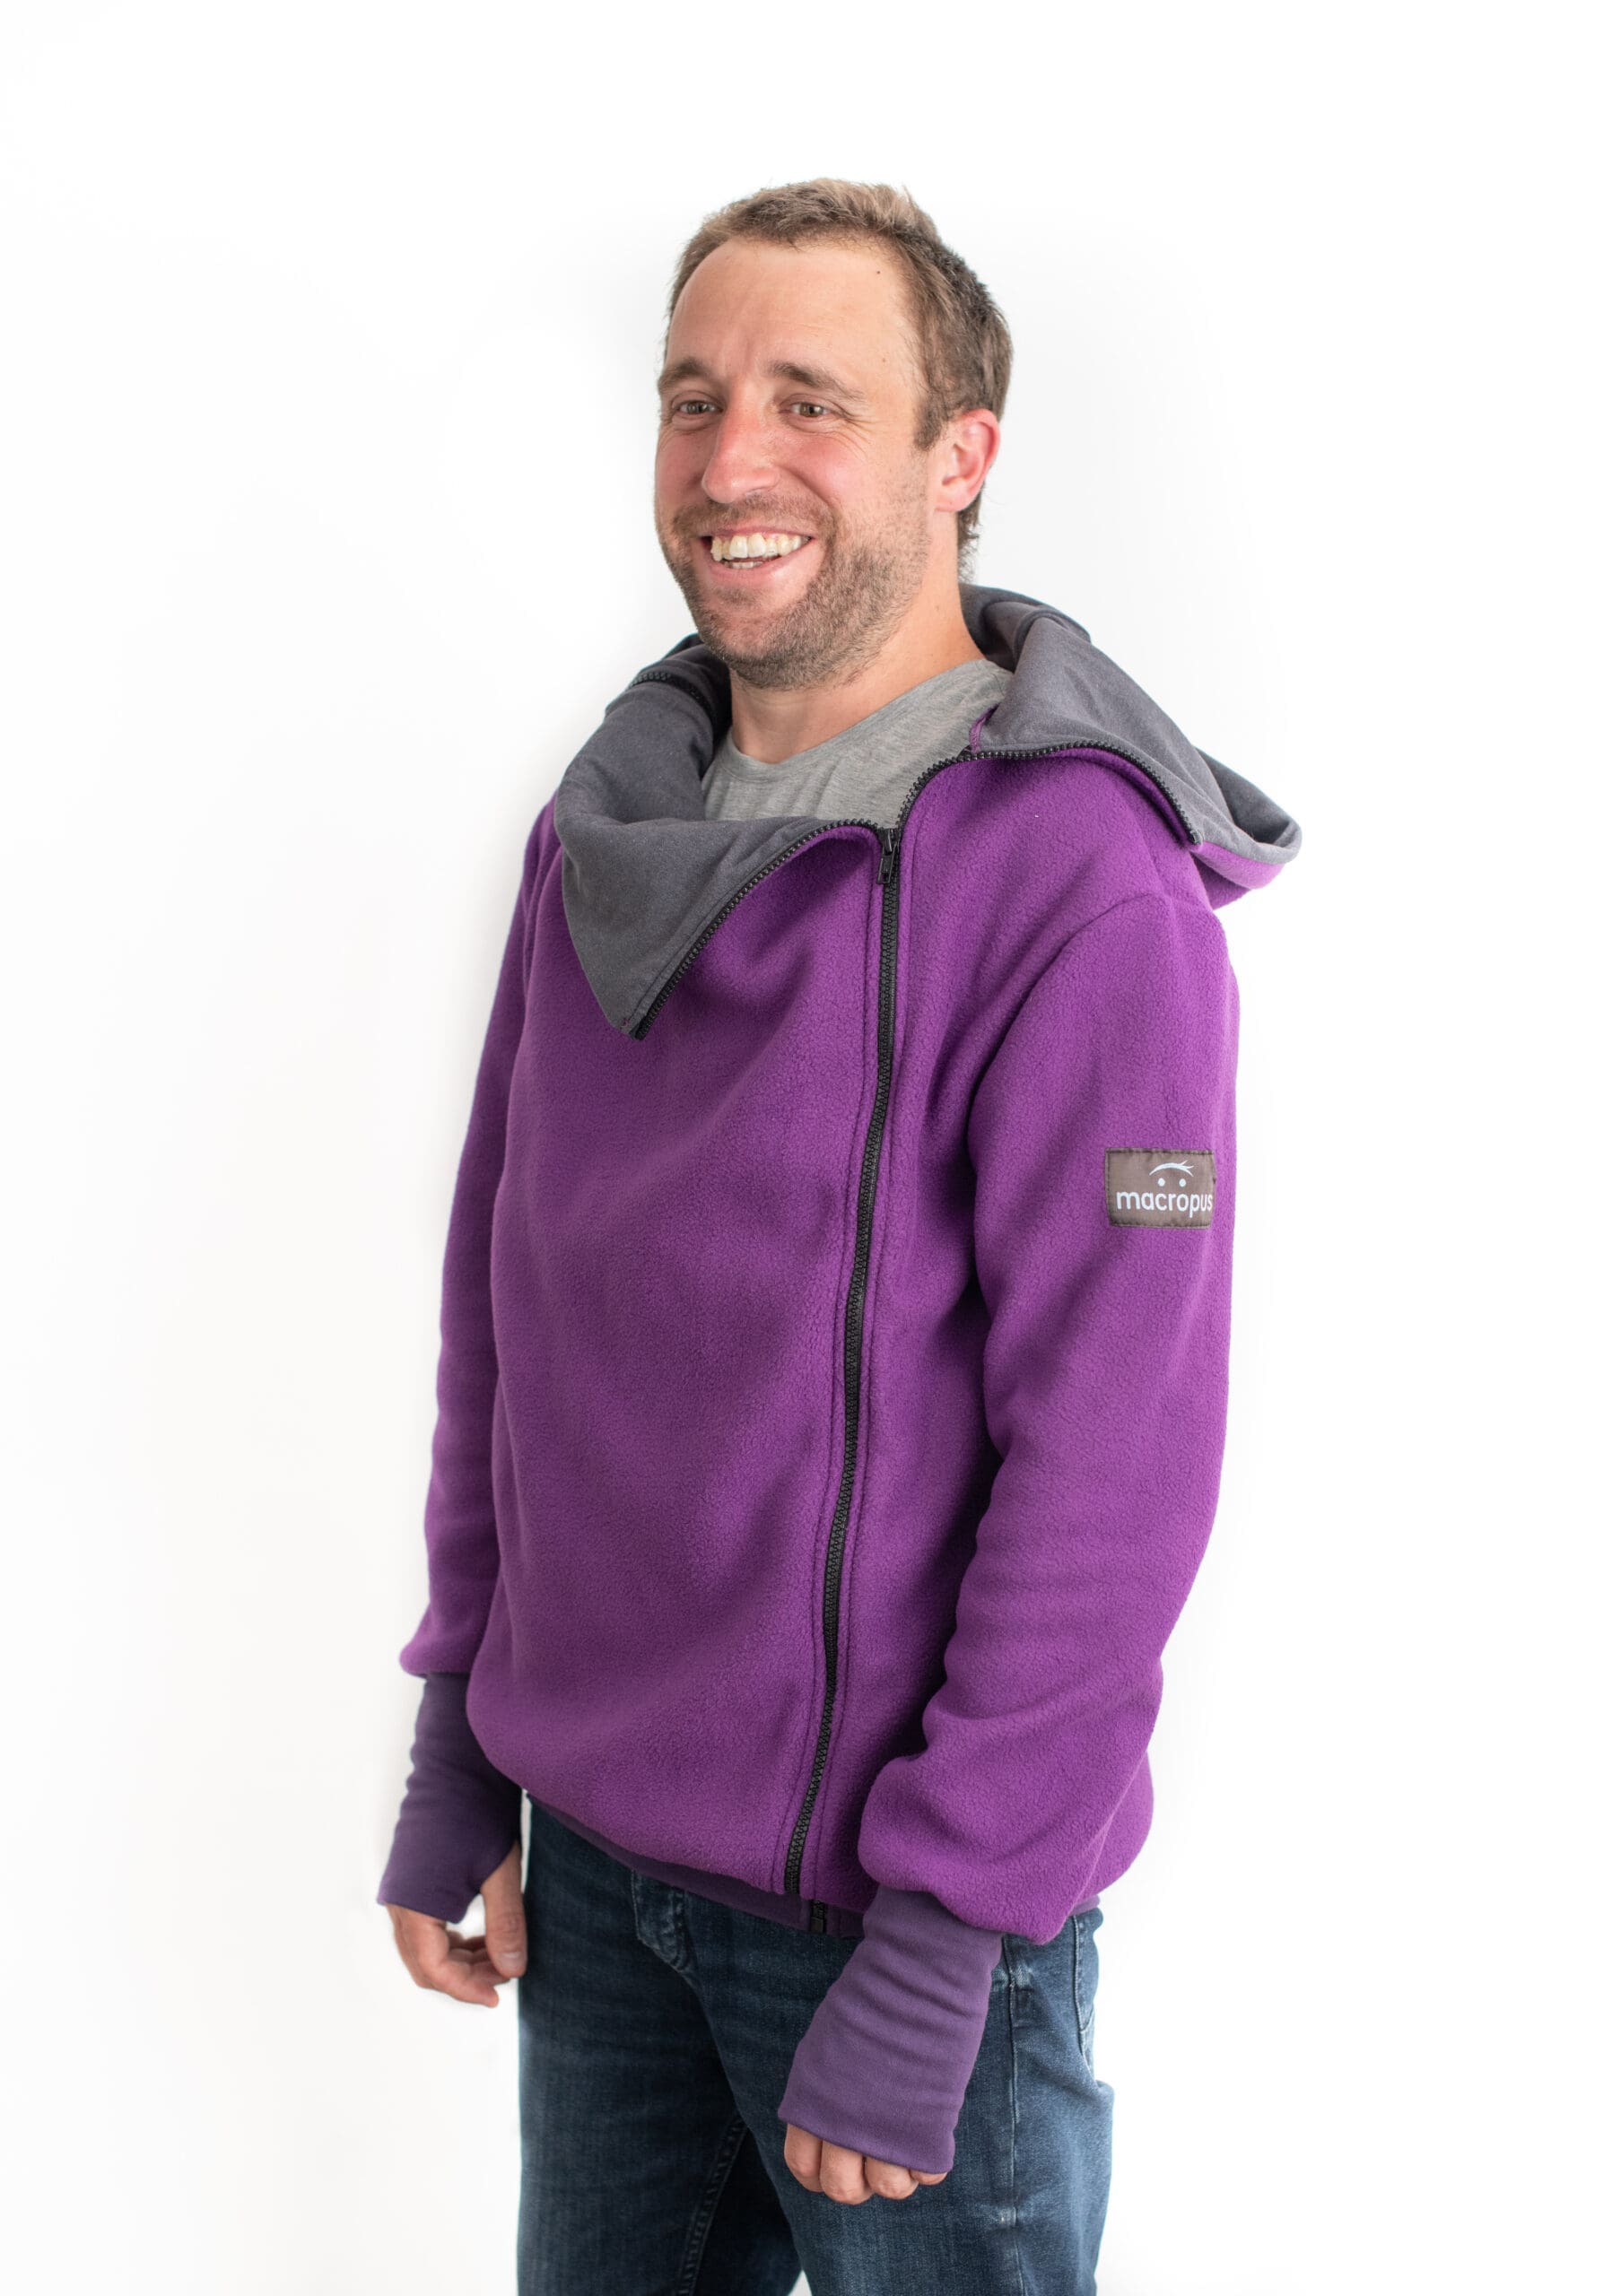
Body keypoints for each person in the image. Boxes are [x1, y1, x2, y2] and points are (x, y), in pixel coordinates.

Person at [376, 177, 1301, 2294]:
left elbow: (1115, 1456)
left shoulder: (1083, 887)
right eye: (692, 398)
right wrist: (460, 1743)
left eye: (811, 400)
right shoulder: (604, 827)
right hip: (594, 1879)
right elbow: (507, 1306)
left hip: (890, 1931)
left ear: (958, 454)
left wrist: (947, 1929)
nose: (730, 461)